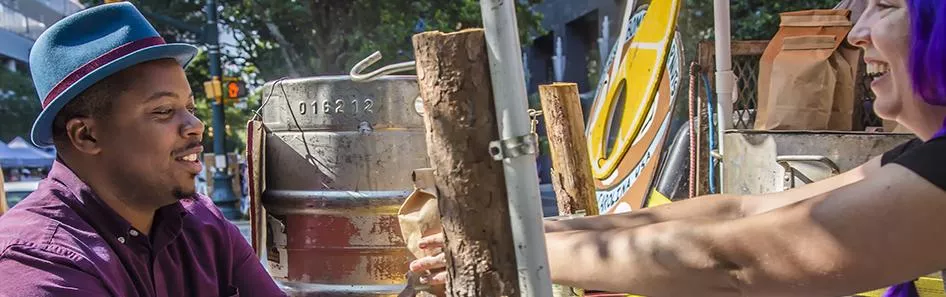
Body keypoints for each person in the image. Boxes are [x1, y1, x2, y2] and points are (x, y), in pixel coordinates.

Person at [410, 0, 946, 296]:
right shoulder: (918, 161)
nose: (857, 30)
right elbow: (742, 210)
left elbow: (735, 262)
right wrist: (540, 230)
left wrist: (512, 253)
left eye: (888, 6)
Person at [0, 3, 286, 296]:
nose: (195, 125)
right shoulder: (36, 261)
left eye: (190, 107)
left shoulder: (205, 225)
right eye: (163, 110)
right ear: (86, 135)